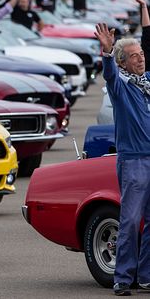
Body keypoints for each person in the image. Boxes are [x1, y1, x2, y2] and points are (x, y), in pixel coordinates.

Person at [95, 22, 150, 296]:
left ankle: (146, 275)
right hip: (134, 160)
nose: (140, 58)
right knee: (130, 219)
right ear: (123, 63)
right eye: (134, 55)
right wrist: (106, 53)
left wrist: (145, 15)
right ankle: (123, 278)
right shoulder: (121, 86)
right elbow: (109, 76)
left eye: (141, 53)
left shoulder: (147, 81)